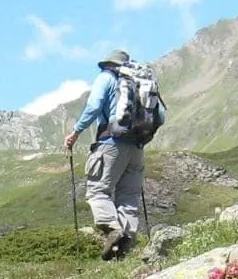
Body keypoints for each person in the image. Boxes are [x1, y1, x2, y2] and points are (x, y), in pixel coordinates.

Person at [64, 49, 167, 260]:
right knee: (128, 196)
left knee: (97, 191)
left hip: (111, 143)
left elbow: (94, 106)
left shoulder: (107, 78)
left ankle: (112, 228)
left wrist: (76, 132)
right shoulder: (141, 82)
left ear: (108, 64)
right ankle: (125, 244)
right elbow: (161, 116)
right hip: (136, 147)